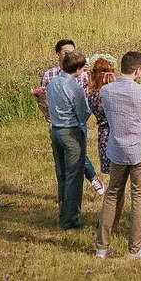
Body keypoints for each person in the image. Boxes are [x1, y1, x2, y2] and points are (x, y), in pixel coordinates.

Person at [95, 51, 141, 259]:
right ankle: (135, 248)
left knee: (112, 194)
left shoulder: (106, 91)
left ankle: (101, 246)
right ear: (138, 70)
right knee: (138, 198)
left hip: (116, 148)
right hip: (139, 148)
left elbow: (102, 110)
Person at [38, 39, 104, 196]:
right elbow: (43, 98)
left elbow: (84, 98)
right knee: (69, 159)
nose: (70, 55)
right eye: (66, 52)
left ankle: (88, 180)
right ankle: (70, 199)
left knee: (79, 154)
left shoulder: (81, 75)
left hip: (76, 122)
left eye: (72, 52)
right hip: (59, 122)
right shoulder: (49, 75)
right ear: (57, 54)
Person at [47, 50, 91, 229]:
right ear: (79, 69)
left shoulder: (52, 82)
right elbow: (83, 113)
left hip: (56, 130)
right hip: (71, 132)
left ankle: (63, 211)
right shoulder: (74, 87)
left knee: (62, 174)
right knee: (74, 176)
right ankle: (70, 220)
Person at [86, 53, 117, 177]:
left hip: (103, 135)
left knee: (112, 176)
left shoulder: (93, 95)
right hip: (117, 134)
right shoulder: (113, 93)